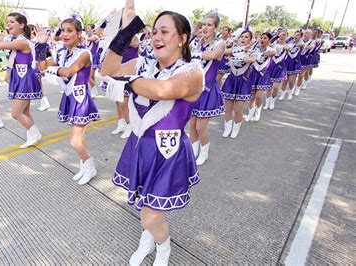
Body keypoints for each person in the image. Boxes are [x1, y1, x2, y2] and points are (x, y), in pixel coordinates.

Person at [101, 1, 203, 264]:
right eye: (154, 31)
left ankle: (163, 246)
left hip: (167, 152)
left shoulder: (192, 72)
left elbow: (163, 91)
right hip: (140, 145)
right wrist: (125, 31)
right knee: (146, 204)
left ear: (183, 38)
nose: (157, 36)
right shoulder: (143, 64)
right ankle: (148, 239)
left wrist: (128, 82)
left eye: (165, 31)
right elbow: (108, 71)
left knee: (150, 215)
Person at [39, 16, 101, 185]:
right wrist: (41, 45)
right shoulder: (61, 52)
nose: (65, 34)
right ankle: (85, 166)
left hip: (81, 100)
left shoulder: (84, 53)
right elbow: (42, 67)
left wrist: (54, 69)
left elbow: (68, 72)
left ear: (78, 34)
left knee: (75, 141)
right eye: (63, 30)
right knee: (78, 140)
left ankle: (90, 166)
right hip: (68, 97)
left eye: (69, 30)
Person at [0, 13, 43, 148]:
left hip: (25, 78)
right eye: (7, 21)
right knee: (25, 111)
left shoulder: (22, 42)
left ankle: (35, 134)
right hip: (17, 77)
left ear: (21, 25)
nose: (8, 24)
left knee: (16, 113)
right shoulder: (10, 38)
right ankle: (31, 135)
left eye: (11, 22)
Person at [188, 12, 225, 165]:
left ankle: (204, 153)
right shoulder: (198, 43)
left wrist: (195, 52)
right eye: (204, 24)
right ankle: (192, 152)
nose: (205, 27)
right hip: (194, 89)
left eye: (209, 25)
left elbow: (213, 55)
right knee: (192, 125)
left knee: (200, 127)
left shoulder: (220, 43)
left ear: (215, 27)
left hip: (208, 89)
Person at [221, 30, 257, 138]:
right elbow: (224, 51)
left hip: (243, 82)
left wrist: (241, 56)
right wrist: (239, 50)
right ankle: (227, 128)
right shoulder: (234, 50)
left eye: (246, 37)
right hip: (231, 80)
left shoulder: (252, 52)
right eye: (242, 36)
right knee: (228, 108)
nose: (243, 39)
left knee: (238, 109)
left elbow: (252, 59)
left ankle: (235, 129)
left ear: (250, 40)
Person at [245, 32, 275, 122]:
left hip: (263, 74)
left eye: (265, 38)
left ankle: (257, 111)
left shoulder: (271, 49)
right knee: (252, 96)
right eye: (261, 38)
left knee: (259, 96)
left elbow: (271, 53)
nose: (262, 39)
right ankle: (250, 113)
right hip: (254, 73)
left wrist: (260, 52)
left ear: (269, 40)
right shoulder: (255, 49)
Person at [265, 30, 289, 110]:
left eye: (284, 35)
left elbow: (287, 48)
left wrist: (281, 46)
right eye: (280, 35)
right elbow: (268, 43)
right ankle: (267, 102)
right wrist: (276, 38)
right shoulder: (273, 45)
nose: (282, 36)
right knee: (269, 86)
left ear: (287, 37)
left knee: (275, 87)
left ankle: (272, 101)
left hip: (280, 68)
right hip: (271, 67)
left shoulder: (288, 45)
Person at [280, 31, 304, 101]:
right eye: (295, 34)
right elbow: (283, 43)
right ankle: (282, 93)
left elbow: (301, 45)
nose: (296, 36)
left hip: (295, 63)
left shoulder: (301, 44)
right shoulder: (289, 42)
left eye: (298, 35)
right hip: (287, 62)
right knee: (285, 80)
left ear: (300, 37)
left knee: (291, 80)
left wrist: (292, 44)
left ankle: (290, 92)